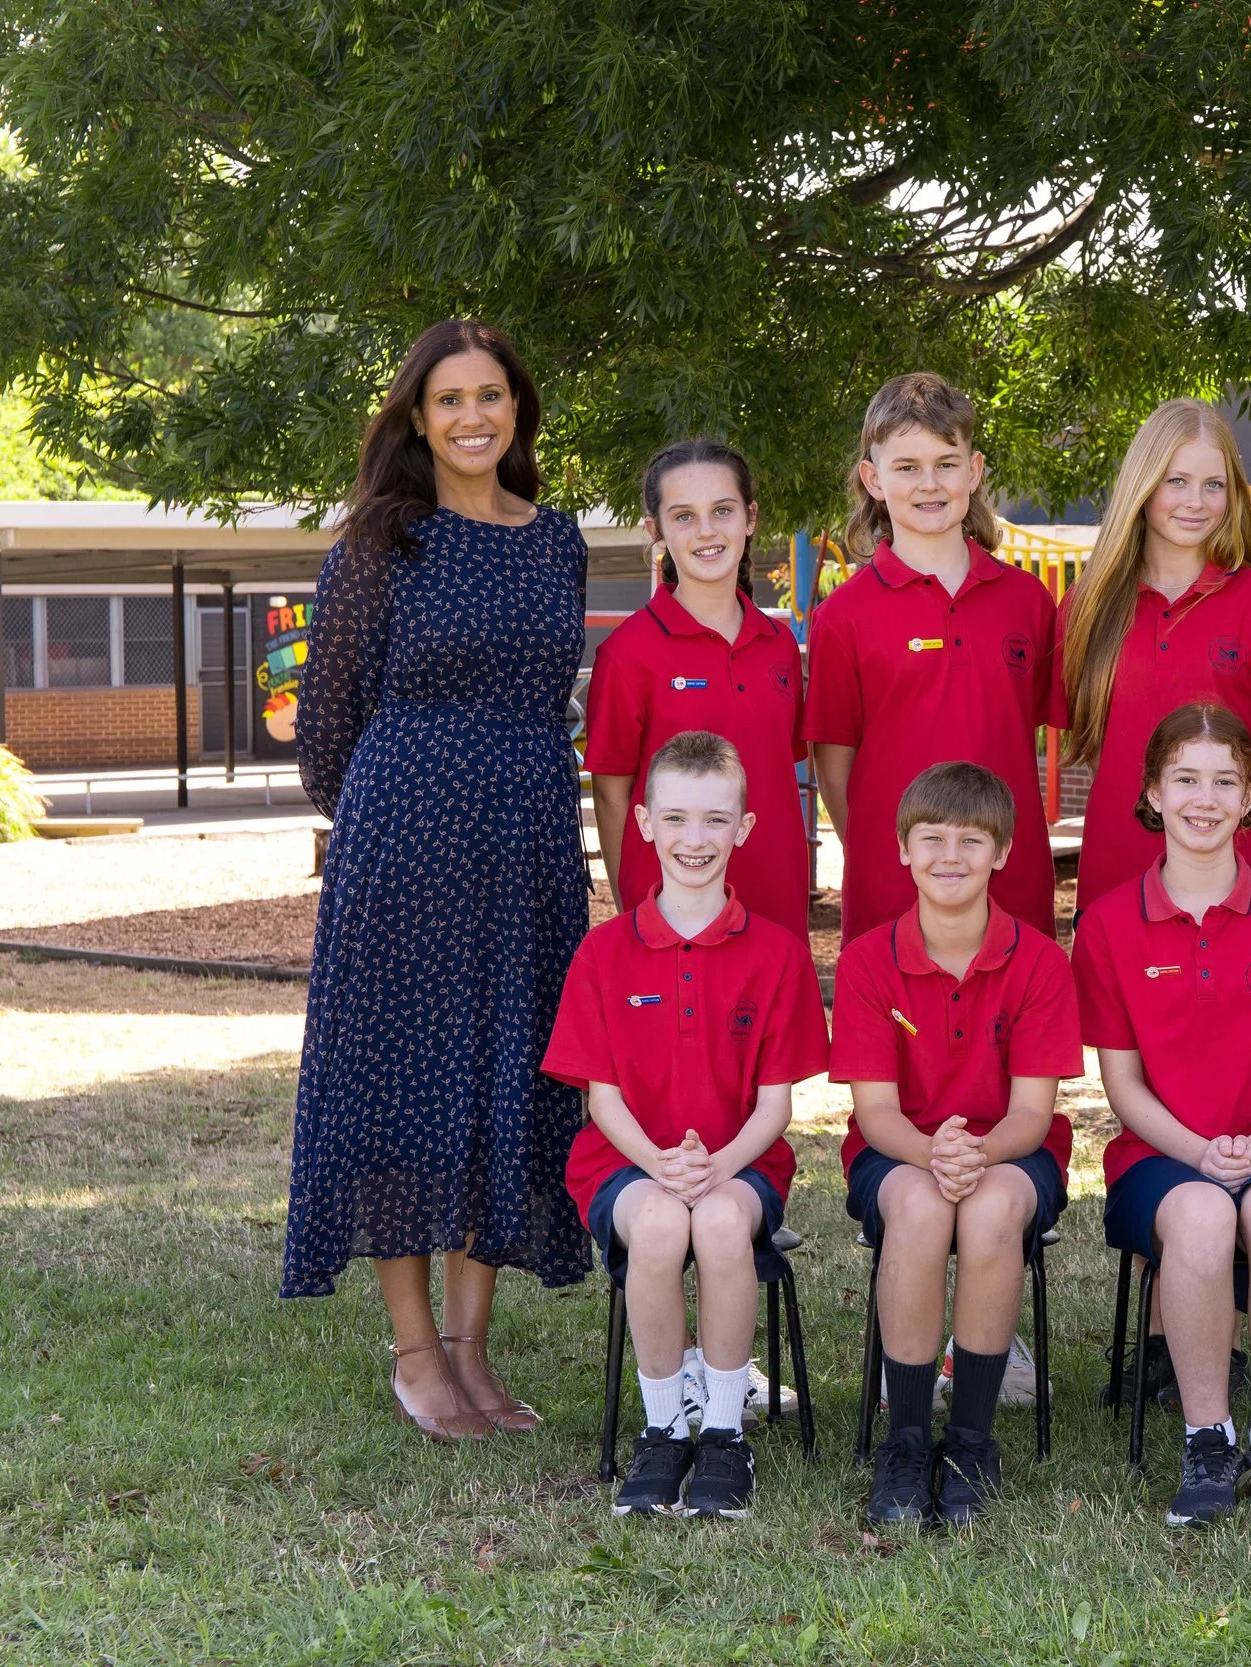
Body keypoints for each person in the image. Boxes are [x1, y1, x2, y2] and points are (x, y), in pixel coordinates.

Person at [287, 319, 594, 1438]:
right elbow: (326, 731)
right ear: (417, 416)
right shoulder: (383, 541)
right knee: (403, 1085)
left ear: (518, 411)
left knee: (507, 1079)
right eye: (450, 398)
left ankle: (474, 1346)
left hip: (528, 845)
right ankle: (414, 1349)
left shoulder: (554, 539)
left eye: (492, 396)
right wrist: (394, 807)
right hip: (405, 844)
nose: (473, 415)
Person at [544, 731, 829, 1515]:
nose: (693, 840)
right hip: (625, 1161)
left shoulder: (776, 954)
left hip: (742, 1161)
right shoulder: (603, 955)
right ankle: (666, 1429)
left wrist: (719, 1164)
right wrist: (663, 1165)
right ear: (642, 824)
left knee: (722, 1226)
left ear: (744, 827)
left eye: (713, 821)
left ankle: (726, 1436)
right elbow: (601, 1101)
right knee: (664, 1226)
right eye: (675, 819)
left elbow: (777, 1107)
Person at [1072, 702, 1251, 1529]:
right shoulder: (1110, 923)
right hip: (1158, 1156)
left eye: (1226, 780)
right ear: (1153, 791)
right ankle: (1207, 1438)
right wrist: (1200, 1153)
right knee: (1197, 1219)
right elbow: (1123, 1088)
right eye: (1185, 778)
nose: (1205, 797)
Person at [831, 762, 1083, 1529]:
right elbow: (874, 1111)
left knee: (992, 1209)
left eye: (971, 840)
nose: (950, 855)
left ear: (1002, 852)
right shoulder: (871, 958)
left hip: (1009, 1148)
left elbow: (1034, 1113)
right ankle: (906, 1439)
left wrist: (977, 1153)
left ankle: (970, 1439)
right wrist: (931, 1154)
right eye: (931, 838)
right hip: (899, 1149)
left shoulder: (1038, 958)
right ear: (904, 849)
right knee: (917, 1209)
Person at [805, 373, 1061, 945]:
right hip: (892, 896)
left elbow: (1027, 733)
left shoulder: (1028, 602)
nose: (930, 483)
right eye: (907, 466)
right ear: (873, 478)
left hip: (1011, 889)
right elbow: (834, 765)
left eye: (947, 463)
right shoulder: (843, 617)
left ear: (974, 471)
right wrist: (882, 853)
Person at [1061, 399, 1251, 911]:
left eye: (1213, 485)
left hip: (1230, 869)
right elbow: (1094, 747)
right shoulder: (1087, 603)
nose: (1195, 501)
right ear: (1143, 484)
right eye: (1176, 481)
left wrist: (1206, 827)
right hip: (1117, 868)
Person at [585, 440, 809, 932]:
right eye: (683, 516)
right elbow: (611, 793)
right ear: (655, 530)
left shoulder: (778, 647)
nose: (706, 531)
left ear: (750, 517)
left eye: (722, 510)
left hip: (777, 910)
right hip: (673, 915)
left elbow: (776, 775)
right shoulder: (627, 653)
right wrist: (635, 913)